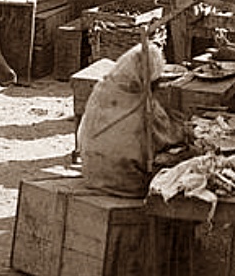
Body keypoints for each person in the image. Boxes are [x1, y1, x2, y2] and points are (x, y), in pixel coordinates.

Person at [76, 42, 185, 197]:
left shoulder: (101, 88)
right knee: (184, 157)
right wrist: (185, 129)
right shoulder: (146, 105)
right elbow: (169, 138)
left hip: (92, 174)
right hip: (128, 182)